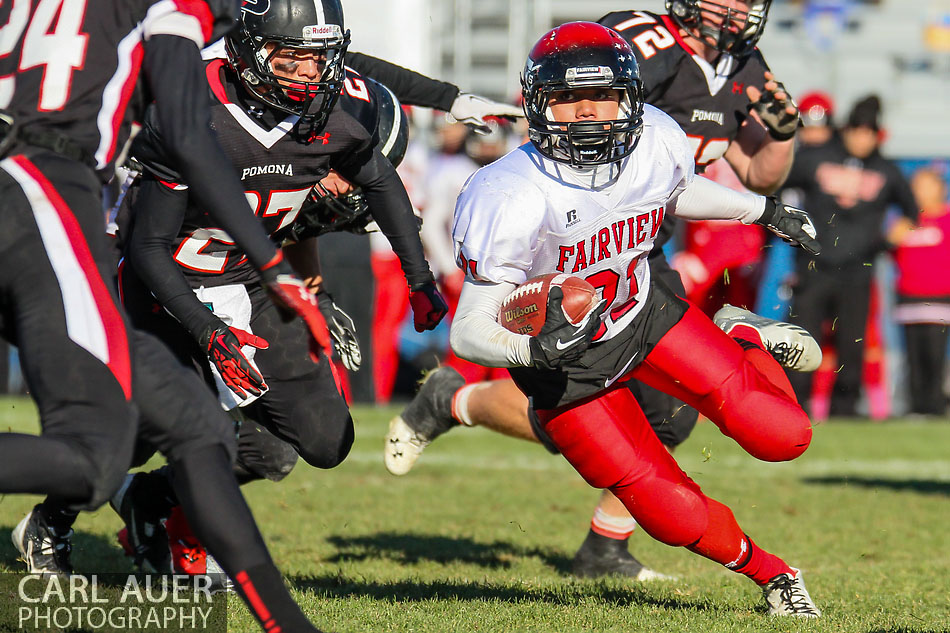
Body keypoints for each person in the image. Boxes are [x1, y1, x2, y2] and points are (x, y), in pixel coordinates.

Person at [386, 0, 805, 580]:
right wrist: (533, 349)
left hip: (638, 283)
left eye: (604, 99)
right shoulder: (510, 190)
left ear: (631, 100)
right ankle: (462, 405)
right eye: (568, 101)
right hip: (573, 314)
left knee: (736, 427)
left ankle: (601, 543)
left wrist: (764, 198)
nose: (589, 115)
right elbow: (470, 325)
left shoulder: (679, 116)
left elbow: (704, 182)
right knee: (646, 463)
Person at [1, 1, 345, 631]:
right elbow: (188, 136)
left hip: (34, 184)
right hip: (43, 189)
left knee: (196, 428)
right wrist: (274, 264)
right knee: (96, 455)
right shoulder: (169, 6)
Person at [95, 0, 450, 578]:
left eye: (320, 60)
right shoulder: (195, 108)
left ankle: (150, 504)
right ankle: (54, 522)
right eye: (292, 61)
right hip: (158, 286)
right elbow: (149, 248)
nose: (310, 76)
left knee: (312, 440)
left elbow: (379, 179)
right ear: (248, 52)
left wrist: (418, 277)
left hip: (247, 280)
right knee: (151, 432)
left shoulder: (339, 108)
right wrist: (209, 332)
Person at [782, 95, 918, 417]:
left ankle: (845, 409)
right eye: (856, 130)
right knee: (804, 338)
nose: (861, 138)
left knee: (851, 344)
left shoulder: (887, 170)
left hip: (859, 269)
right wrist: (790, 228)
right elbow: (775, 185)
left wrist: (884, 242)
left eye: (868, 131)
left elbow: (912, 211)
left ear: (877, 134)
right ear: (846, 129)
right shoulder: (816, 157)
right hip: (814, 265)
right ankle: (794, 404)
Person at [893, 167, 950, 416]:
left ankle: (935, 405)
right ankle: (915, 407)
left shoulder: (946, 219)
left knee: (934, 355)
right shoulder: (905, 221)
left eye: (927, 185)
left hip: (939, 300)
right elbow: (889, 246)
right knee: (913, 357)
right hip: (909, 299)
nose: (921, 192)